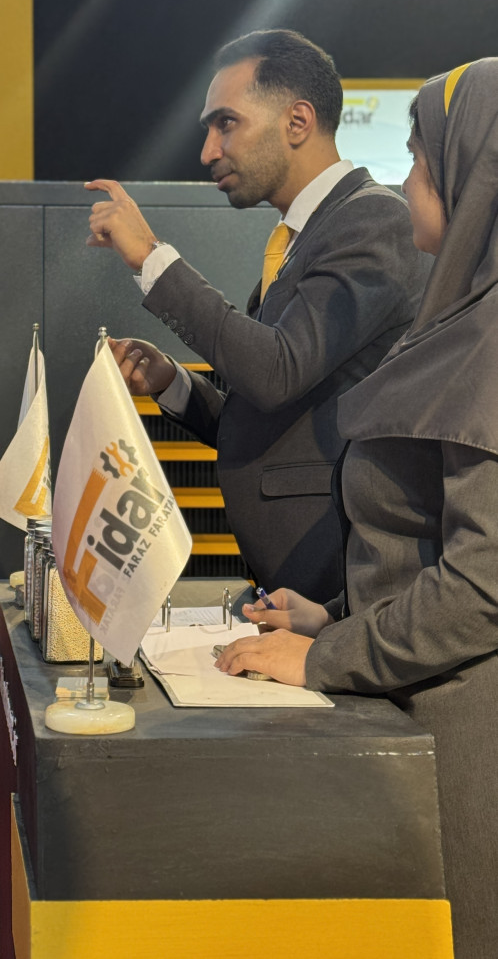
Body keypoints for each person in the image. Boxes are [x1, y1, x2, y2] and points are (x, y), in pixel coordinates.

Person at [215, 58, 498, 959]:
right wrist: (334, 615)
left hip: (468, 744)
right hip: (423, 706)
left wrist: (327, 654)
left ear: (473, 174)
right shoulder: (464, 325)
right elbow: (430, 544)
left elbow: (481, 587)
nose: (405, 182)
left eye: (419, 162)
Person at [87, 29, 432, 602]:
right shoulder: (304, 238)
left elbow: (276, 372)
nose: (208, 151)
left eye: (226, 123)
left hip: (340, 581)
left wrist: (150, 256)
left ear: (297, 121)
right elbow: (267, 412)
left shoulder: (372, 222)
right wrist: (173, 383)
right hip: (296, 580)